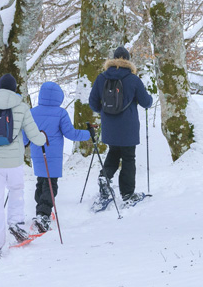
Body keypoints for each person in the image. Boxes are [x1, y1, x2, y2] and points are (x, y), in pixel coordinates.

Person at [0, 73, 47, 260]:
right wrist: (44, 138)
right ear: (14, 88)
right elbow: (34, 135)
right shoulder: (21, 107)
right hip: (14, 162)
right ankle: (16, 226)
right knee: (16, 191)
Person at [26, 81, 94, 233]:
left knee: (41, 182)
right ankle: (43, 215)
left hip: (38, 153)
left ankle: (41, 211)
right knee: (51, 184)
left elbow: (25, 135)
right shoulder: (61, 113)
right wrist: (88, 134)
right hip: (53, 155)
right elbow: (71, 133)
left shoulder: (32, 112)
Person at [88, 46, 153, 203]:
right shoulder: (133, 79)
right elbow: (146, 102)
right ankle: (127, 194)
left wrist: (104, 112)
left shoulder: (101, 77)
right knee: (128, 158)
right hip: (128, 126)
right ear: (128, 60)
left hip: (109, 125)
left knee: (113, 153)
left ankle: (105, 176)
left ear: (113, 58)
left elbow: (93, 103)